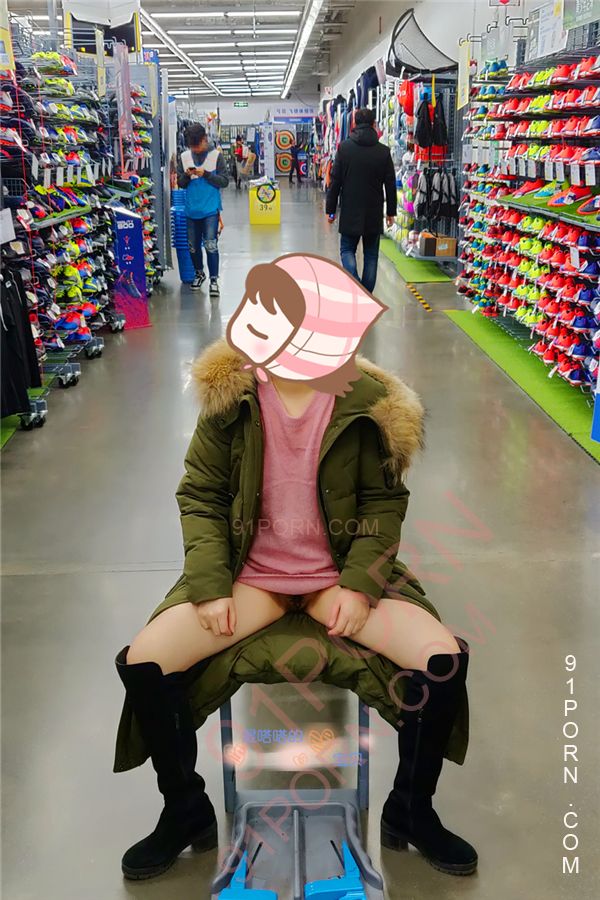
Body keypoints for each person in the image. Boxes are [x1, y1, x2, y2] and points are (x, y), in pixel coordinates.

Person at [113, 253, 477, 883]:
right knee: (147, 661)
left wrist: (359, 585)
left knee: (440, 658)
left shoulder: (368, 407)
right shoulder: (231, 400)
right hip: (251, 578)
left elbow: (383, 504)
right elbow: (201, 494)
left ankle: (412, 809)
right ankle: (185, 810)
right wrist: (210, 586)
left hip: (337, 576)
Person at [326, 107, 397, 293]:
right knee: (371, 255)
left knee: (347, 250)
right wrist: (391, 211)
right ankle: (366, 294)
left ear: (354, 124)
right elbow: (390, 184)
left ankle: (357, 289)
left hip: (350, 210)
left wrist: (330, 210)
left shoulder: (344, 149)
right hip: (373, 211)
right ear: (374, 124)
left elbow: (335, 181)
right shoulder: (383, 152)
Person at [177, 124, 228, 297]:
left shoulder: (216, 156)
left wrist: (206, 174)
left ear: (205, 139)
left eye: (197, 145)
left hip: (210, 210)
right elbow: (181, 184)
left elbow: (224, 181)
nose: (195, 149)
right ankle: (199, 273)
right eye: (192, 146)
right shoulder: (184, 157)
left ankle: (214, 280)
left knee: (211, 245)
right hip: (191, 210)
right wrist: (186, 175)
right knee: (193, 247)